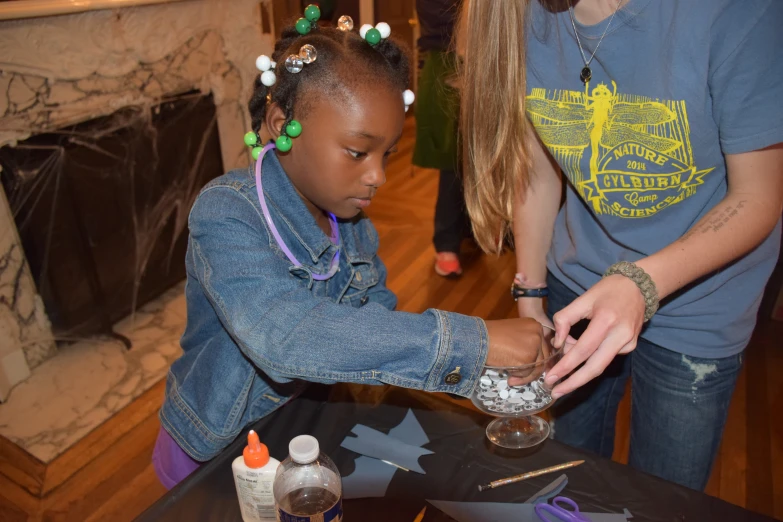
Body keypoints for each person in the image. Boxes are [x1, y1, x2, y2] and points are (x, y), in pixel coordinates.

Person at [152, 7, 547, 489]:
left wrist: (478, 374)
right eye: (358, 152)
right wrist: (474, 343)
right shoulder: (225, 214)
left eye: (388, 154)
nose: (378, 176)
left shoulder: (353, 226)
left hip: (300, 439)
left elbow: (375, 323)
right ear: (281, 123)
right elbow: (286, 336)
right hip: (215, 454)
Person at [458, 0, 783, 490]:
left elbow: (758, 196)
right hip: (578, 288)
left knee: (661, 496)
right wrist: (530, 296)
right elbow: (540, 173)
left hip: (702, 308)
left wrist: (640, 283)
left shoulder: (739, 12)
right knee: (561, 478)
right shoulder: (516, 16)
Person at [413, 0, 471, 278]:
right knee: (453, 157)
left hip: (494, 58)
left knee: (484, 157)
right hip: (448, 59)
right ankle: (447, 242)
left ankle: (473, 228)